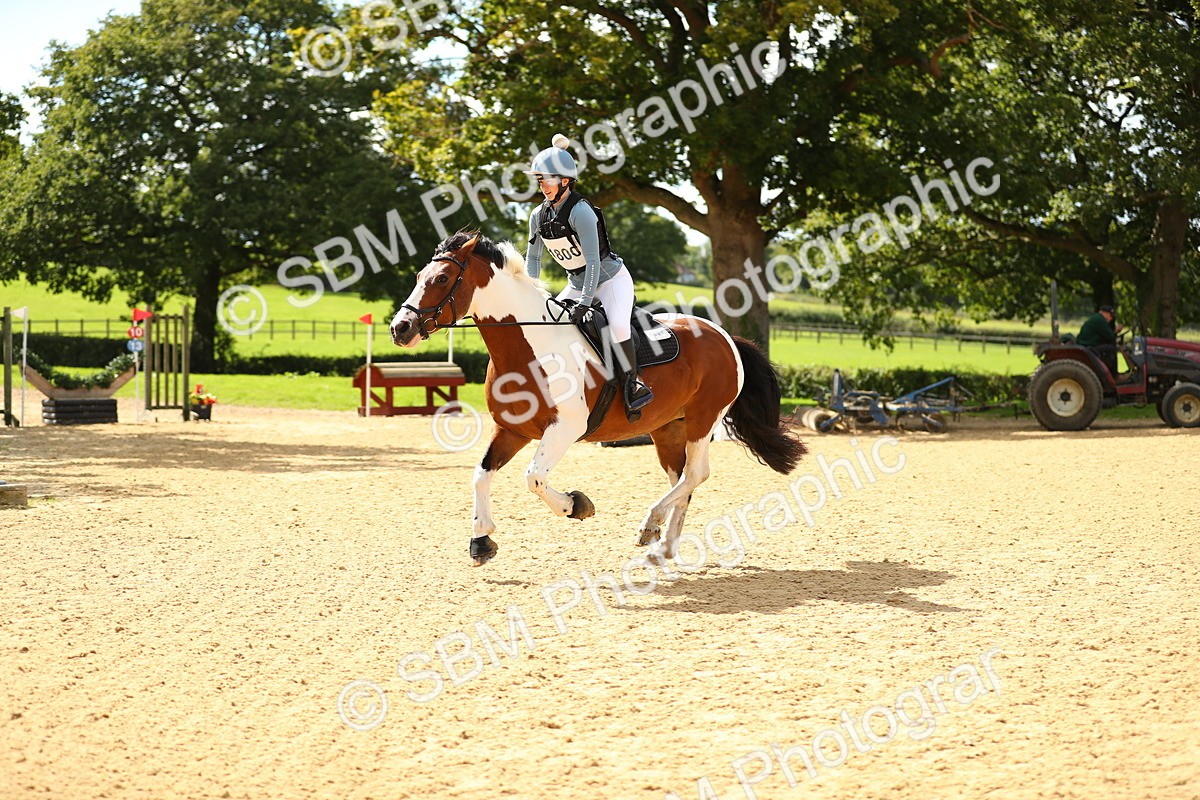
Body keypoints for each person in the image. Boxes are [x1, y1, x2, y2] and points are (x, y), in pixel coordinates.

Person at [523, 133, 653, 417]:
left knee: (618, 327)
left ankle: (635, 384)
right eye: (539, 179)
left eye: (547, 178)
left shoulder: (581, 212)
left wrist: (584, 302)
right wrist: (530, 294)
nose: (542, 184)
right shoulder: (537, 215)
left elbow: (593, 261)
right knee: (552, 326)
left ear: (565, 181)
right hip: (576, 282)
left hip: (610, 281)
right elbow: (532, 258)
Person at [1076, 304, 1124, 378]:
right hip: (1089, 346)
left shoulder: (1097, 318)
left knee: (1109, 347)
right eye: (1110, 316)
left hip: (1087, 344)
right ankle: (1114, 376)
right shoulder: (1100, 320)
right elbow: (1110, 337)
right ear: (1105, 313)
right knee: (1112, 349)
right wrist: (1116, 331)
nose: (1111, 319)